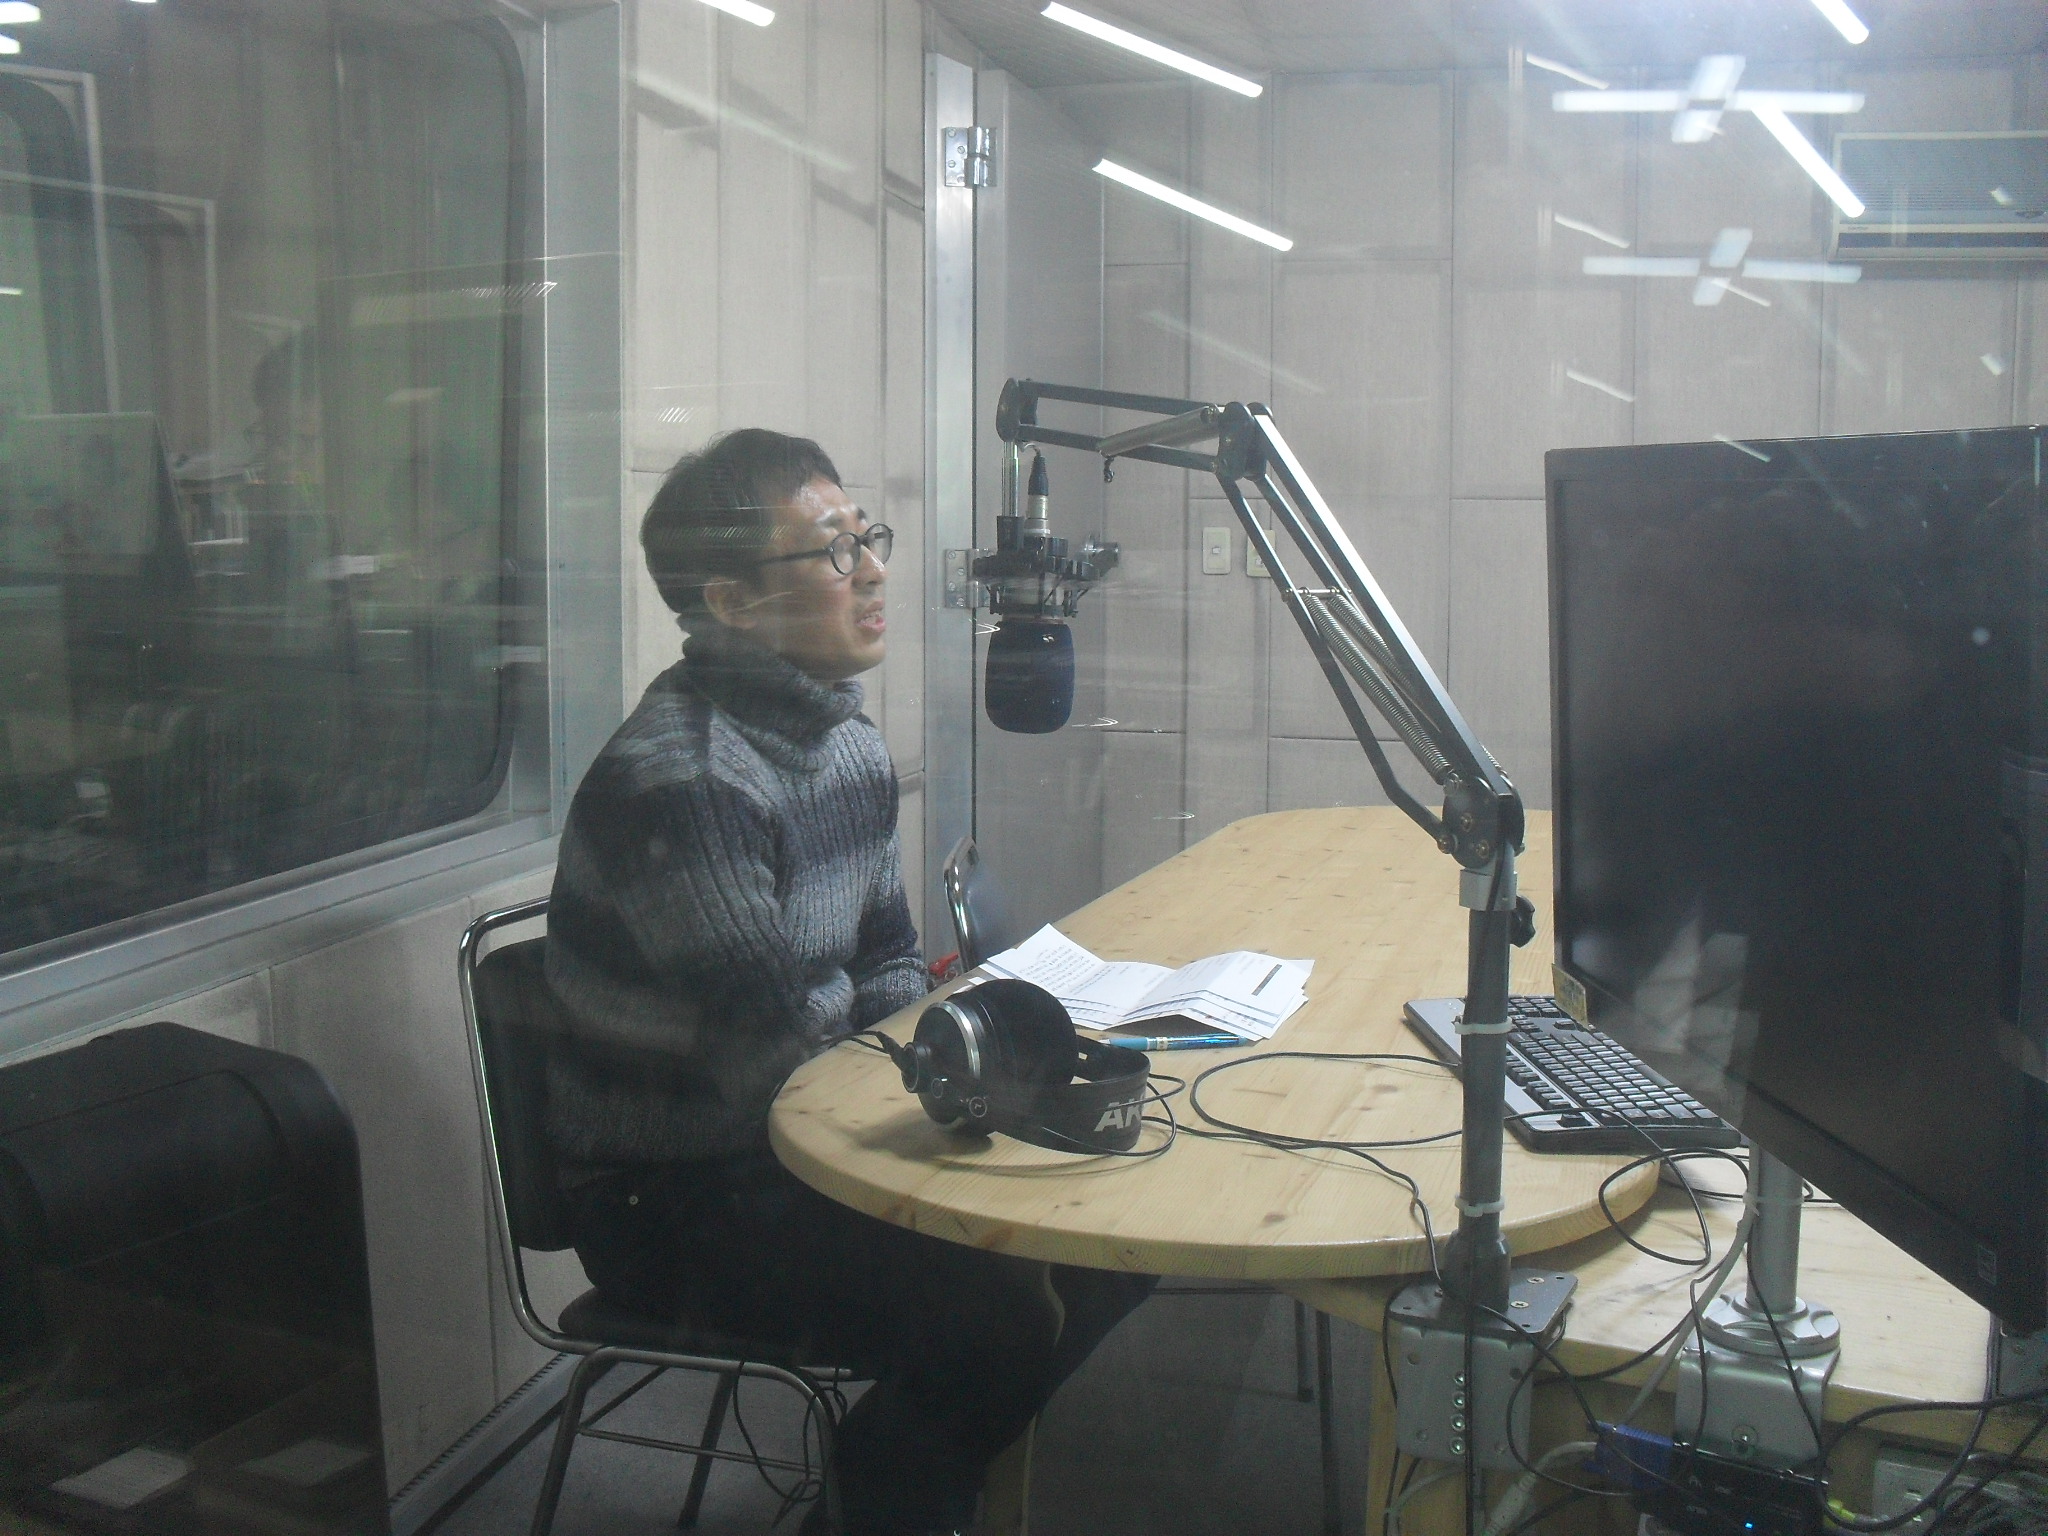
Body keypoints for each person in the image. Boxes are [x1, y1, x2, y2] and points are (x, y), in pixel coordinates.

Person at [543, 429, 1155, 1536]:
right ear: (730, 602)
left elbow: (884, 968)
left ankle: (922, 1464)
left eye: (867, 537)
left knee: (1118, 1233)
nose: (873, 571)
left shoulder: (846, 744)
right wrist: (908, 1058)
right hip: (674, 1198)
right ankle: (888, 1481)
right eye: (833, 551)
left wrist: (908, 1046)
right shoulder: (685, 784)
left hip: (798, 1140)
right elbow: (767, 1057)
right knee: (998, 1311)